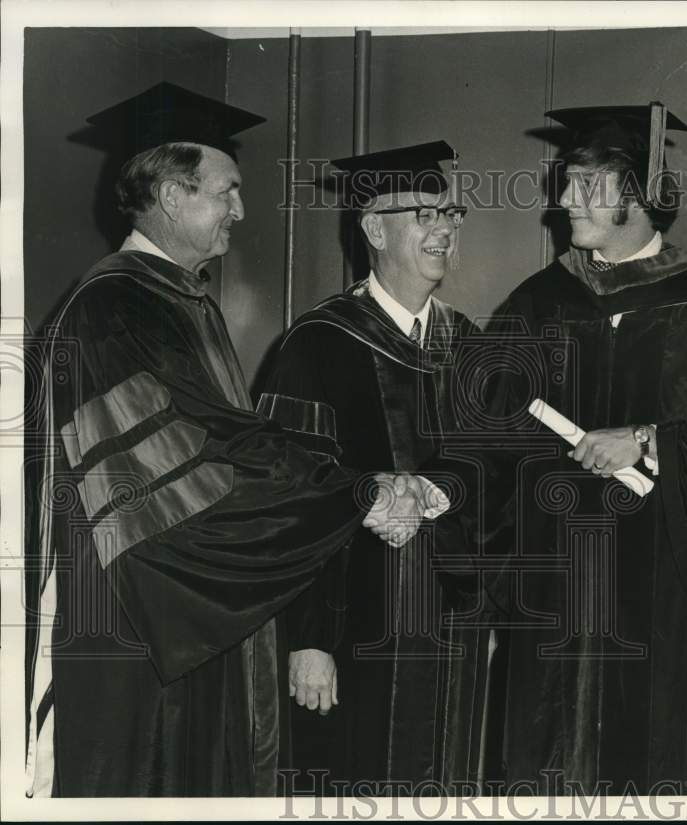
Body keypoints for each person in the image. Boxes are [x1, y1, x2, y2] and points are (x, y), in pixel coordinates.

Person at [23, 83, 422, 798]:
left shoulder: (177, 296)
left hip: (183, 612)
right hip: (137, 617)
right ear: (174, 196)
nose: (240, 209)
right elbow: (207, 455)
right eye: (227, 191)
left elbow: (228, 443)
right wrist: (356, 492)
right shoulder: (112, 305)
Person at [470, 103, 687, 794]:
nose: (563, 197)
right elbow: (485, 445)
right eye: (566, 181)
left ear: (637, 194)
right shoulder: (535, 305)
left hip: (663, 594)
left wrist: (648, 442)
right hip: (554, 596)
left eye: (585, 182)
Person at [257, 142, 491, 792]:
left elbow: (497, 465)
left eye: (450, 211)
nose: (443, 227)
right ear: (374, 228)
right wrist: (306, 639)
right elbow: (283, 493)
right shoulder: (316, 343)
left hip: (452, 629)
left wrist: (442, 487)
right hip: (352, 626)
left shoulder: (468, 343)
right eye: (423, 213)